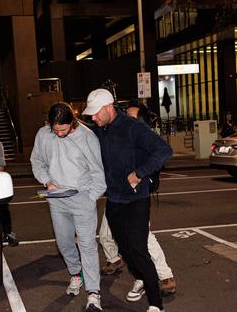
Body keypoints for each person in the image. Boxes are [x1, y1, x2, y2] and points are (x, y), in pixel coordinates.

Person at [83, 89, 172, 312]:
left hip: (136, 200)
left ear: (108, 107)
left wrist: (140, 172)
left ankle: (156, 304)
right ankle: (141, 277)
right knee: (125, 249)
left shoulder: (133, 127)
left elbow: (163, 150)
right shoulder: (100, 131)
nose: (93, 117)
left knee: (139, 250)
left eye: (95, 113)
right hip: (114, 199)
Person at [30, 102, 106, 312]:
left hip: (82, 196)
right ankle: (76, 274)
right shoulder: (44, 134)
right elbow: (36, 161)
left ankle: (93, 293)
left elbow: (98, 172)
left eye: (63, 130)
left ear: (72, 123)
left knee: (87, 244)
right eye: (56, 130)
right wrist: (47, 181)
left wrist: (91, 198)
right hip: (56, 197)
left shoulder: (87, 136)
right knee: (63, 243)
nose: (59, 133)